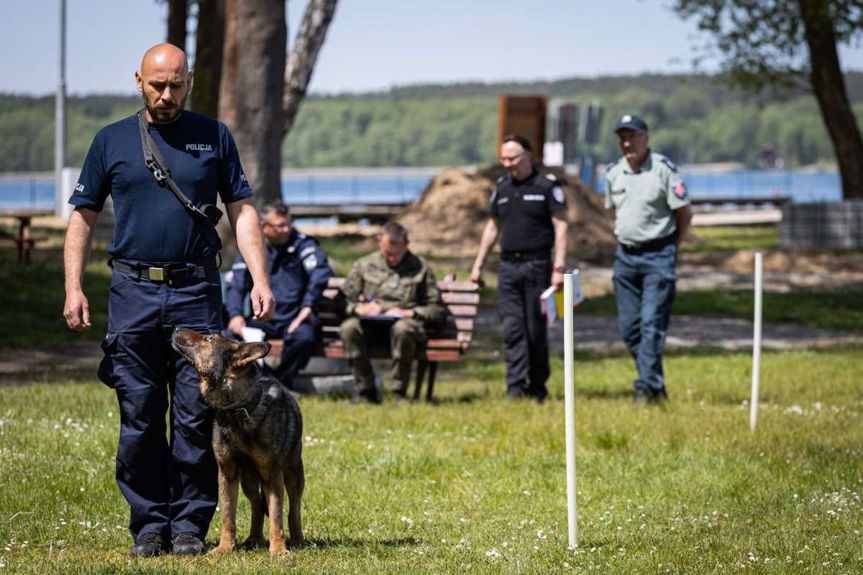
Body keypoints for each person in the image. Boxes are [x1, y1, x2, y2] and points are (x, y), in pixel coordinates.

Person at [62, 43, 275, 557]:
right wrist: (73, 286)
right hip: (132, 291)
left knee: (196, 416)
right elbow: (82, 217)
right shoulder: (110, 140)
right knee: (138, 413)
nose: (167, 94)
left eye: (176, 84)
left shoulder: (214, 136)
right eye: (157, 84)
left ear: (190, 81)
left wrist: (260, 276)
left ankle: (188, 526)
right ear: (139, 81)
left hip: (196, 290)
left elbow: (242, 209)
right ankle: (149, 525)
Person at [470, 134, 568, 403]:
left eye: (512, 157)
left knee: (536, 329)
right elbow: (493, 227)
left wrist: (559, 267)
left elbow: (561, 225)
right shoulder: (501, 188)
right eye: (503, 158)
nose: (507, 163)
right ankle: (515, 387)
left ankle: (537, 387)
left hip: (538, 264)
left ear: (528, 156)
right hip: (508, 266)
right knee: (513, 329)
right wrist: (478, 265)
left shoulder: (547, 186)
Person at [604, 114, 693, 404]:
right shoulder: (614, 173)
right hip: (625, 258)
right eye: (622, 138)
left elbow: (684, 214)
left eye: (632, 136)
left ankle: (645, 388)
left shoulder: (664, 170)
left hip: (659, 255)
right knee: (629, 328)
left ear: (646, 137)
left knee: (651, 324)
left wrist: (671, 248)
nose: (627, 143)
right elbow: (612, 213)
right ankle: (655, 386)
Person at [224, 201, 332, 388]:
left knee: (304, 339)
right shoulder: (253, 250)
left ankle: (278, 383)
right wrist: (235, 315)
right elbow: (236, 284)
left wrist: (308, 306)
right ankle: (264, 382)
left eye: (288, 223)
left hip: (296, 319)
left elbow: (320, 273)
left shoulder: (302, 245)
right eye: (280, 225)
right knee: (231, 340)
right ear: (264, 227)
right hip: (264, 318)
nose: (286, 229)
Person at [339, 222, 446, 403]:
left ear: (406, 245)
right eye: (388, 254)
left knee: (402, 328)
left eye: (397, 254)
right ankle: (366, 392)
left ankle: (399, 393)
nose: (392, 259)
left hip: (405, 328)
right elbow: (342, 299)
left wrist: (410, 313)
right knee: (349, 328)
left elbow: (436, 309)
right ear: (380, 242)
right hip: (371, 325)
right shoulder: (364, 265)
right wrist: (358, 308)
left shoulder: (421, 269)